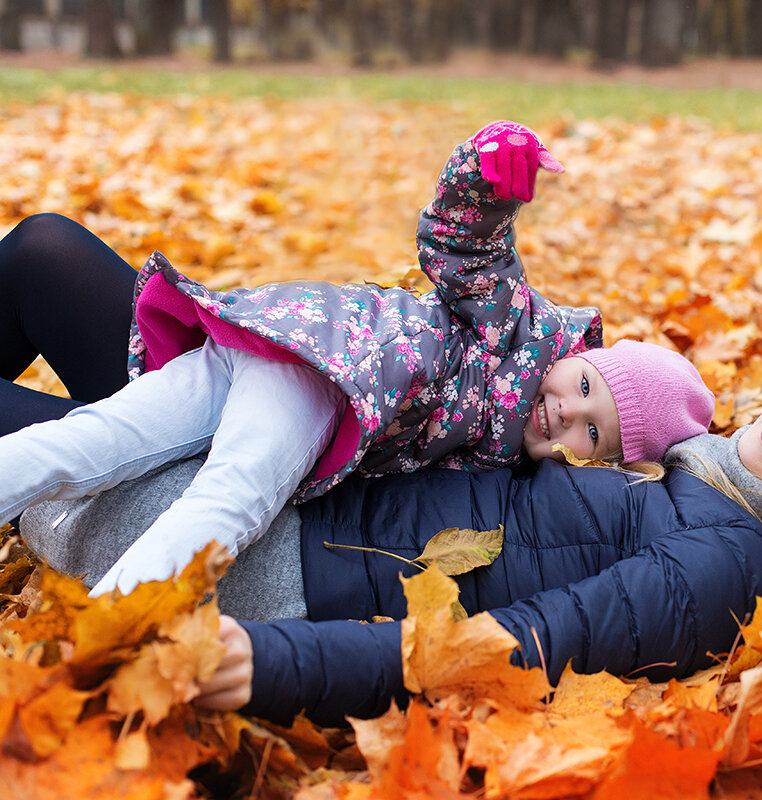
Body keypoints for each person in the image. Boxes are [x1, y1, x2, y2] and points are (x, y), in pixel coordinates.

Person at [14, 355, 762, 727]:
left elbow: (529, 643)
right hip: (312, 489)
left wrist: (277, 659)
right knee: (52, 258)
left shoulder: (731, 564)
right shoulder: (701, 473)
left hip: (279, 565)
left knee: (39, 437)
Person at [0, 121, 715, 598]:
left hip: (268, 348)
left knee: (94, 443)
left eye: (592, 431)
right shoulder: (515, 325)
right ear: (580, 351)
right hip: (322, 378)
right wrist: (487, 175)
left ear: (606, 469)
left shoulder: (511, 464)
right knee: (227, 499)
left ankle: (105, 621)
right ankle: (112, 628)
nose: (566, 412)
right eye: (585, 386)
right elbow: (463, 243)